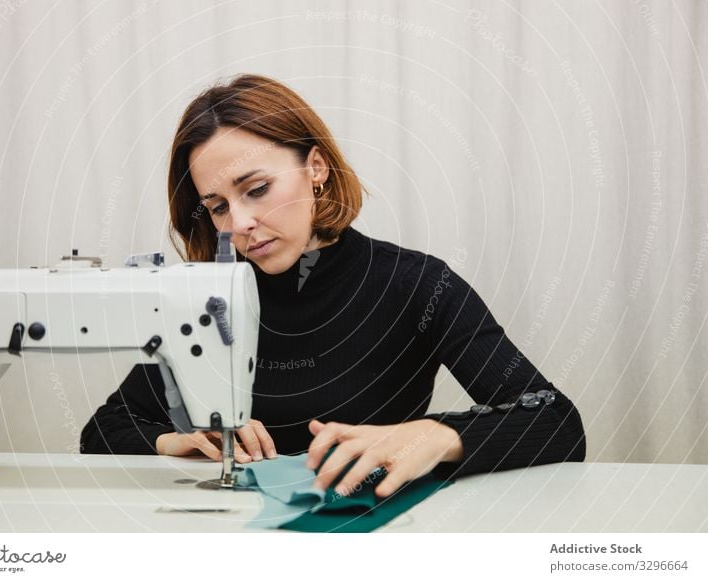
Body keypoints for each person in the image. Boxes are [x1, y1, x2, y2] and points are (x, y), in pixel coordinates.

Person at [81, 74, 586, 498]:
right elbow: (103, 429)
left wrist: (434, 435)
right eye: (217, 207)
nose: (239, 223)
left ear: (315, 169)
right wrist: (177, 442)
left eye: (257, 190)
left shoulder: (418, 286)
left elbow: (559, 423)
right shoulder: (206, 300)